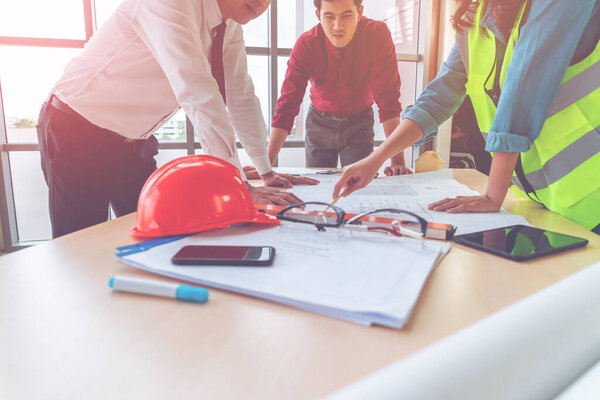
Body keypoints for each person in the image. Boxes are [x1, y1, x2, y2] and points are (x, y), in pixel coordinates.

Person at [37, 0, 316, 238]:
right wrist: (236, 184)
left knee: (155, 234)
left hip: (133, 142)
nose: (262, 2)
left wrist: (265, 171)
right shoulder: (171, 3)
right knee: (82, 243)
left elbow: (241, 97)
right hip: (77, 129)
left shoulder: (229, 26)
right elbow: (198, 93)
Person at [333, 0, 600, 234]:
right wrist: (375, 160)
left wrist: (492, 197)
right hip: (543, 201)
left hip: (592, 198)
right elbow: (436, 100)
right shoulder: (475, 17)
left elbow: (524, 85)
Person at [268, 0, 412, 175]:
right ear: (318, 16)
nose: (337, 26)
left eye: (346, 16)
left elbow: (388, 100)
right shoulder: (306, 43)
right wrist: (265, 167)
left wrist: (397, 162)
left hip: (359, 125)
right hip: (318, 124)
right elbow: (287, 104)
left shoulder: (377, 34)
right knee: (317, 184)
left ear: (359, 13)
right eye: (329, 17)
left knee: (359, 187)